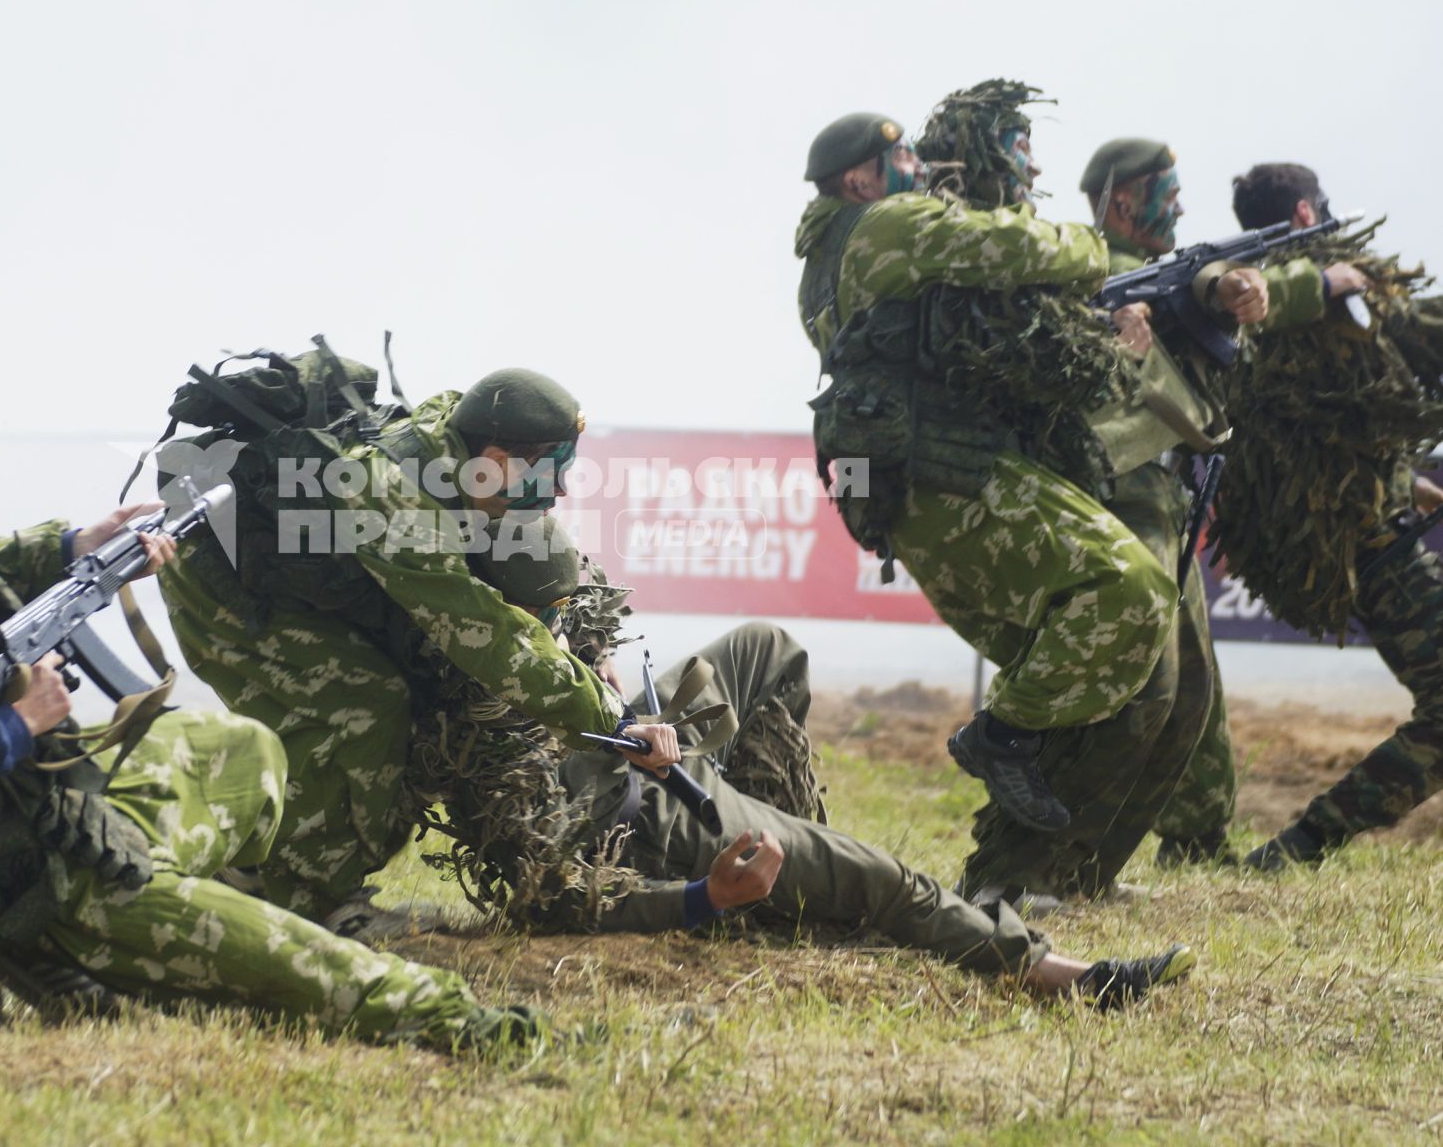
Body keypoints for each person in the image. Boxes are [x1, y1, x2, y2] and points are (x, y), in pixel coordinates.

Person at [0, 389, 542, 1048]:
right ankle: (460, 1023)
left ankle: (204, 915)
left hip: (73, 810)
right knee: (312, 967)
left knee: (245, 750)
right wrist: (20, 723)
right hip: (63, 888)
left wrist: (77, 546)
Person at [403, 514, 1195, 1009]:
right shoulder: (487, 752)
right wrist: (700, 901)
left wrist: (597, 662)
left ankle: (789, 867)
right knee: (884, 877)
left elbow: (576, 614)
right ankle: (1055, 974)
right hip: (654, 821)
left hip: (640, 749)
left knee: (766, 650)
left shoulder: (492, 610)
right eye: (546, 617)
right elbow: (560, 903)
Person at [796, 85, 1179, 898]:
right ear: (858, 183)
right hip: (952, 472)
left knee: (1071, 646)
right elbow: (1026, 250)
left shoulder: (822, 264)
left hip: (904, 488)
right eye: (898, 160)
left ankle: (1015, 872)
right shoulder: (889, 224)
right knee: (1129, 589)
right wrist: (1089, 245)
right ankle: (1001, 734)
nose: (919, 169)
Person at [150, 349, 662, 921]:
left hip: (304, 577)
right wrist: (612, 721)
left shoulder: (461, 450)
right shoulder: (395, 495)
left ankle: (241, 872)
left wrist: (587, 650)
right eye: (549, 471)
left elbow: (536, 558)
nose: (560, 489)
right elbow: (483, 633)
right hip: (223, 583)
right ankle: (309, 906)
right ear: (494, 458)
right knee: (364, 706)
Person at [1078, 140, 1325, 870]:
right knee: (1146, 674)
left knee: (1192, 680)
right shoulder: (1092, 271)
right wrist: (1217, 286)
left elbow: (1203, 280)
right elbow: (1175, 289)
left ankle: (1196, 841)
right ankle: (1077, 844)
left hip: (1166, 492)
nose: (1180, 204)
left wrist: (1233, 284)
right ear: (1122, 200)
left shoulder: (1167, 276)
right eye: (1166, 190)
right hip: (1122, 494)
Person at [1206, 163, 1443, 870]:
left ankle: (1301, 844)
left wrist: (1406, 482)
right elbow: (1413, 343)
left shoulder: (1262, 312)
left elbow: (1326, 420)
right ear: (1306, 213)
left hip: (1363, 532)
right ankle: (1302, 844)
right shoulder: (1317, 287)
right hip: (1370, 543)